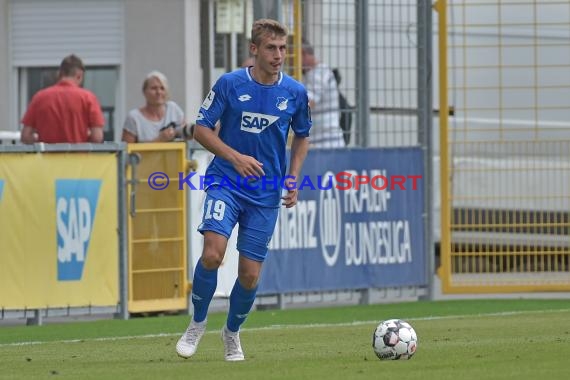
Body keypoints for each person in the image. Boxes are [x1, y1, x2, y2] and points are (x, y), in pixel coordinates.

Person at [175, 18, 311, 361]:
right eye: (271, 48)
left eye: (283, 48)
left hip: (265, 194)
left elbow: (302, 137)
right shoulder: (230, 84)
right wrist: (235, 158)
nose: (278, 54)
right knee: (212, 253)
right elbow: (202, 130)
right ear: (254, 49)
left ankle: (231, 332)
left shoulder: (295, 92)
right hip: (226, 182)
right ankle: (197, 323)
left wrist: (292, 177)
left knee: (249, 275)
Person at [20, 54, 104, 144]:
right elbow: (97, 137)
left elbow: (26, 136)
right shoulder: (88, 98)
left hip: (47, 157)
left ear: (59, 74)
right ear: (79, 75)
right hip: (79, 156)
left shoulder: (39, 97)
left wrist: (42, 143)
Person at [122, 71, 192, 143]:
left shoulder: (174, 109)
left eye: (162, 88)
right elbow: (126, 151)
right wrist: (159, 140)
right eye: (154, 88)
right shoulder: (134, 117)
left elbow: (185, 133)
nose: (159, 92)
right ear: (144, 91)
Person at [301, 40, 345, 148]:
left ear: (303, 54)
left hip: (327, 144)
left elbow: (308, 103)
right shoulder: (312, 74)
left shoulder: (319, 73)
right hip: (321, 142)